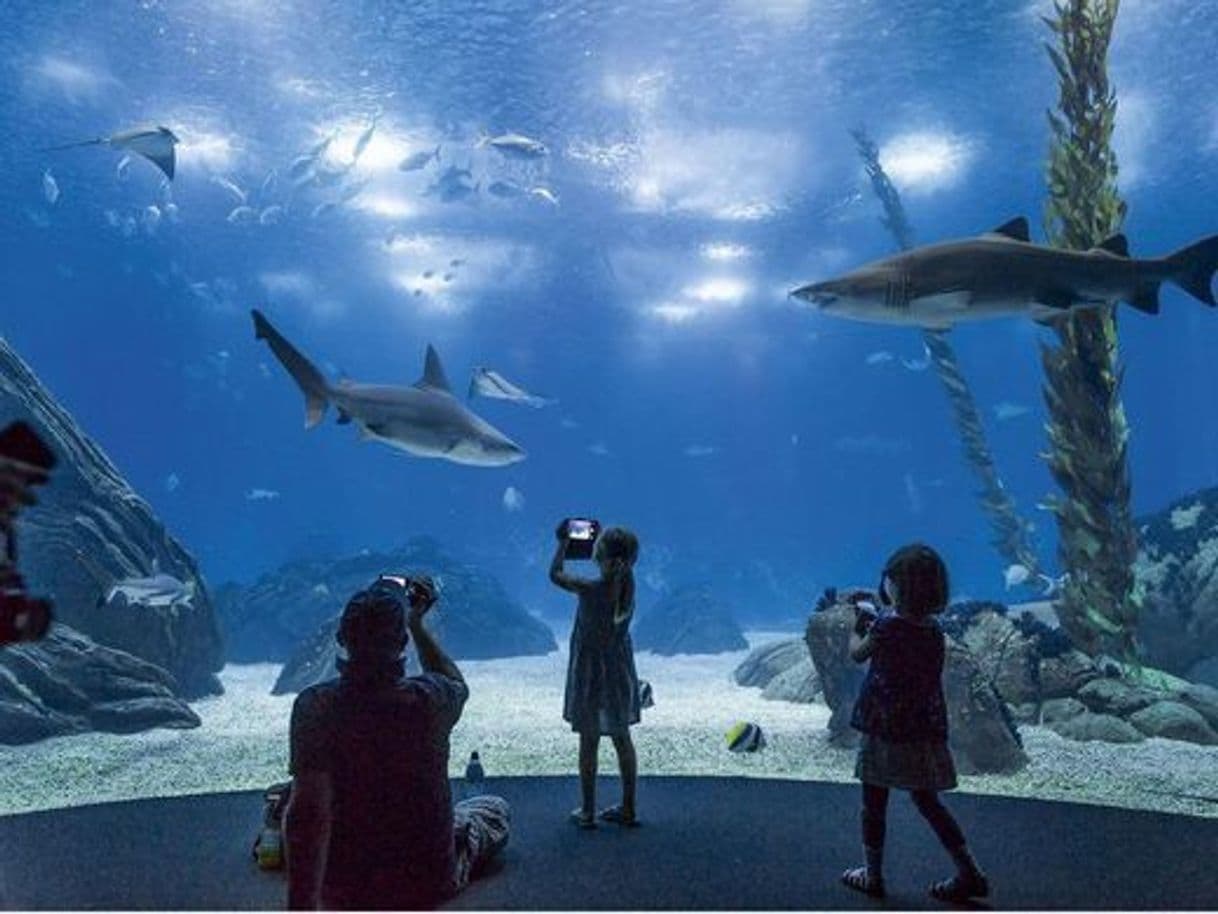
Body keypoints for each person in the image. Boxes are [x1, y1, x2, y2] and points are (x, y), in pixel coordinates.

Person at [284, 575, 510, 910]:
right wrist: (417, 623)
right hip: (424, 878)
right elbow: (455, 682)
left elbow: (308, 810)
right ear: (402, 642)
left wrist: (301, 907)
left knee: (291, 795)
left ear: (342, 637)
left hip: (345, 882)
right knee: (493, 808)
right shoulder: (427, 700)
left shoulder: (315, 706)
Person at [840, 543, 988, 903]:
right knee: (927, 801)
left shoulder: (886, 627)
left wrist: (856, 625)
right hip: (921, 733)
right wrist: (878, 617)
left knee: (873, 801)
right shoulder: (934, 631)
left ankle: (872, 875)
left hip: (885, 731)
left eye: (889, 580)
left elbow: (857, 654)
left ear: (897, 586)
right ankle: (969, 870)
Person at [549, 523, 642, 828]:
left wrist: (563, 544)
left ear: (599, 556)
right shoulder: (628, 586)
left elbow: (555, 575)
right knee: (621, 738)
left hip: (590, 675)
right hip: (618, 673)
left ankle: (588, 811)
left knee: (588, 741)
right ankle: (628, 807)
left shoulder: (590, 589)